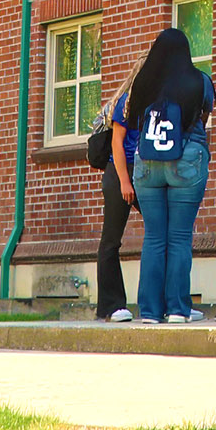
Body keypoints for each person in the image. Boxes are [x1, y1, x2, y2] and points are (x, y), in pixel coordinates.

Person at [118, 24, 216, 324]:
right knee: (179, 238)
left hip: (147, 163)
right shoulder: (200, 81)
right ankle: (177, 309)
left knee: (154, 238)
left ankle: (148, 311)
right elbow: (205, 114)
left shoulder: (143, 82)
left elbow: (132, 116)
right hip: (186, 157)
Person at [88, 91, 137, 322]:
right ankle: (111, 305)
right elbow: (117, 142)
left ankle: (171, 303)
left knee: (163, 234)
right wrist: (125, 181)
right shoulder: (127, 100)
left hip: (145, 170)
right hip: (119, 172)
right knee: (111, 239)